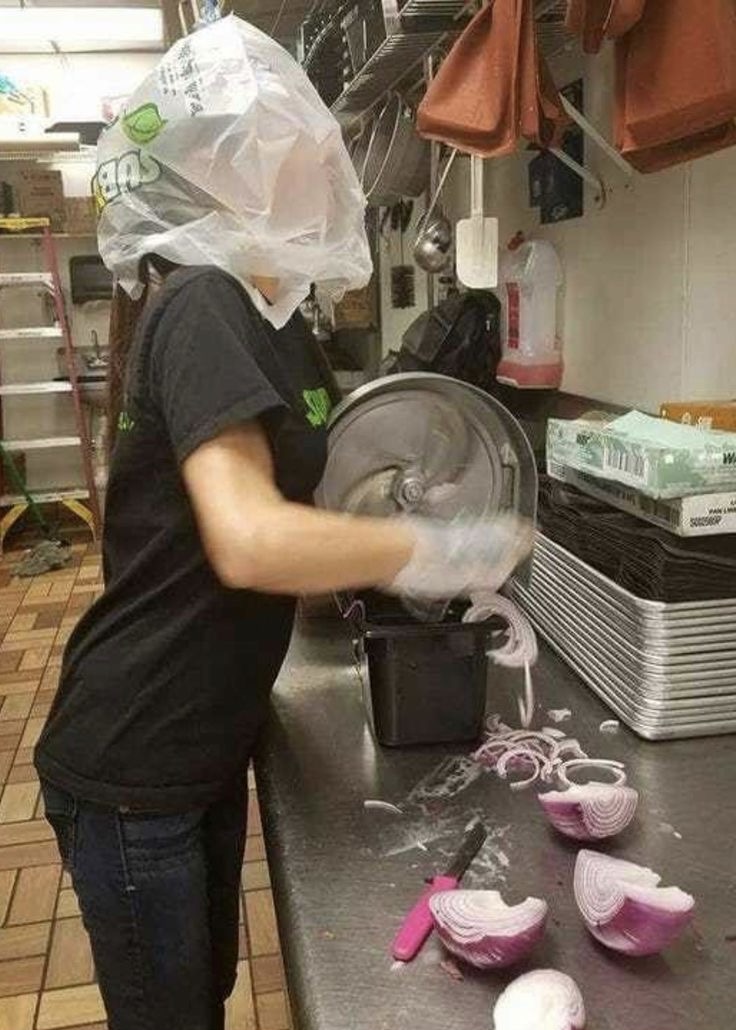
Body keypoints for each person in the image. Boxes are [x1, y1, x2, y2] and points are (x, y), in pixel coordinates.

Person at [34, 17, 532, 1030]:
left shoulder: (269, 325)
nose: (326, 176)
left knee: (200, 998)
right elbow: (250, 539)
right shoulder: (202, 302)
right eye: (299, 158)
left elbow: (301, 523)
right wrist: (442, 548)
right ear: (229, 178)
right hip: (139, 748)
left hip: (200, 736)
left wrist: (388, 521)